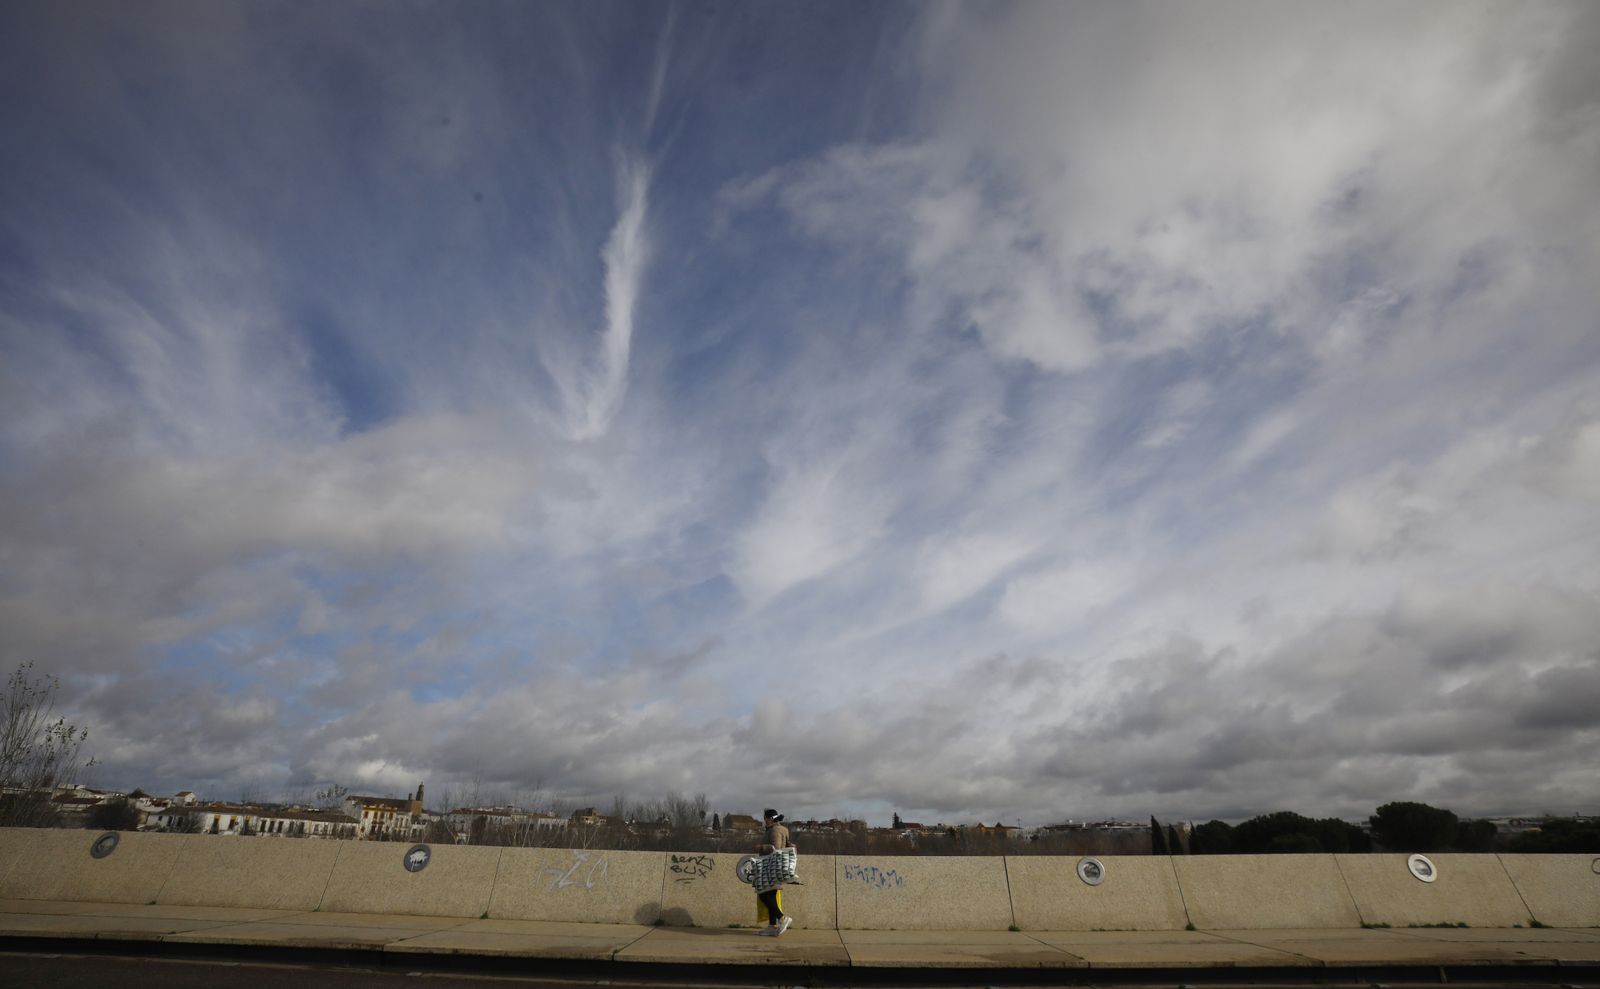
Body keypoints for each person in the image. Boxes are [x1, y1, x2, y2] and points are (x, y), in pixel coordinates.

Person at [754, 808, 793, 936]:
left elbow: (775, 849)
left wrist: (761, 847)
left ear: (770, 819)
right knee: (771, 896)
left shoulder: (775, 830)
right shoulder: (783, 829)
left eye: (765, 818)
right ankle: (772, 926)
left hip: (771, 868)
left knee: (764, 894)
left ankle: (782, 918)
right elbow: (786, 846)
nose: (764, 821)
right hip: (778, 867)